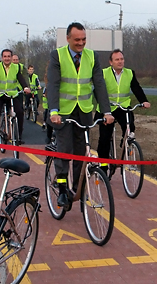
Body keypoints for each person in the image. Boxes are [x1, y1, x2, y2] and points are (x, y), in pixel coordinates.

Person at [46, 22, 114, 207]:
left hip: (84, 111)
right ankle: (61, 189)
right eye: (77, 40)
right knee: (64, 151)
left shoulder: (92, 56)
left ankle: (76, 187)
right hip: (63, 112)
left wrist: (106, 111)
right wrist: (53, 111)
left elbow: (99, 84)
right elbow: (53, 85)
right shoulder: (57, 55)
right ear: (68, 39)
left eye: (83, 39)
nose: (81, 43)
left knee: (81, 152)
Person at [95, 49, 151, 176]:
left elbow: (136, 87)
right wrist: (105, 110)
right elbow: (98, 92)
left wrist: (144, 101)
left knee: (130, 127)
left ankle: (126, 143)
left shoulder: (129, 73)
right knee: (104, 139)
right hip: (107, 109)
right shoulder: (103, 73)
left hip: (123, 107)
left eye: (122, 59)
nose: (120, 62)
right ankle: (103, 168)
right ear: (111, 62)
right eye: (117, 59)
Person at [0, 49, 31, 141]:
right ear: (2, 57)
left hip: (12, 95)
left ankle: (18, 135)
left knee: (19, 112)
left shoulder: (16, 67)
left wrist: (25, 87)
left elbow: (21, 79)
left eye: (8, 56)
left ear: (11, 57)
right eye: (5, 56)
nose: (7, 58)